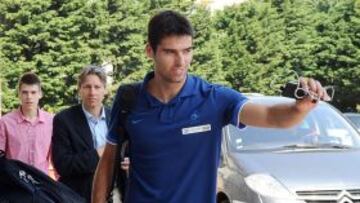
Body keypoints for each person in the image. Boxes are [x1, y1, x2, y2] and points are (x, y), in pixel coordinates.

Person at [92, 10, 330, 203]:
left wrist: (300, 108)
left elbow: (272, 116)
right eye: (170, 52)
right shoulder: (129, 100)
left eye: (187, 51)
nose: (181, 61)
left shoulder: (213, 98)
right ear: (149, 51)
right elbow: (107, 162)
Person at [51, 65, 110, 202]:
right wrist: (98, 153)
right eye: (87, 87)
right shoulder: (64, 120)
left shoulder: (116, 118)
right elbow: (63, 165)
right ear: (80, 90)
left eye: (97, 87)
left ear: (105, 90)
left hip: (112, 194)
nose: (92, 92)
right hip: (77, 196)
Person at [0, 72, 53, 175]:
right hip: (15, 184)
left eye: (33, 92)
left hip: (41, 184)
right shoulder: (5, 122)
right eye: (25, 92)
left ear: (40, 94)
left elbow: (55, 159)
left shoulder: (51, 122)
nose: (29, 97)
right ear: (19, 94)